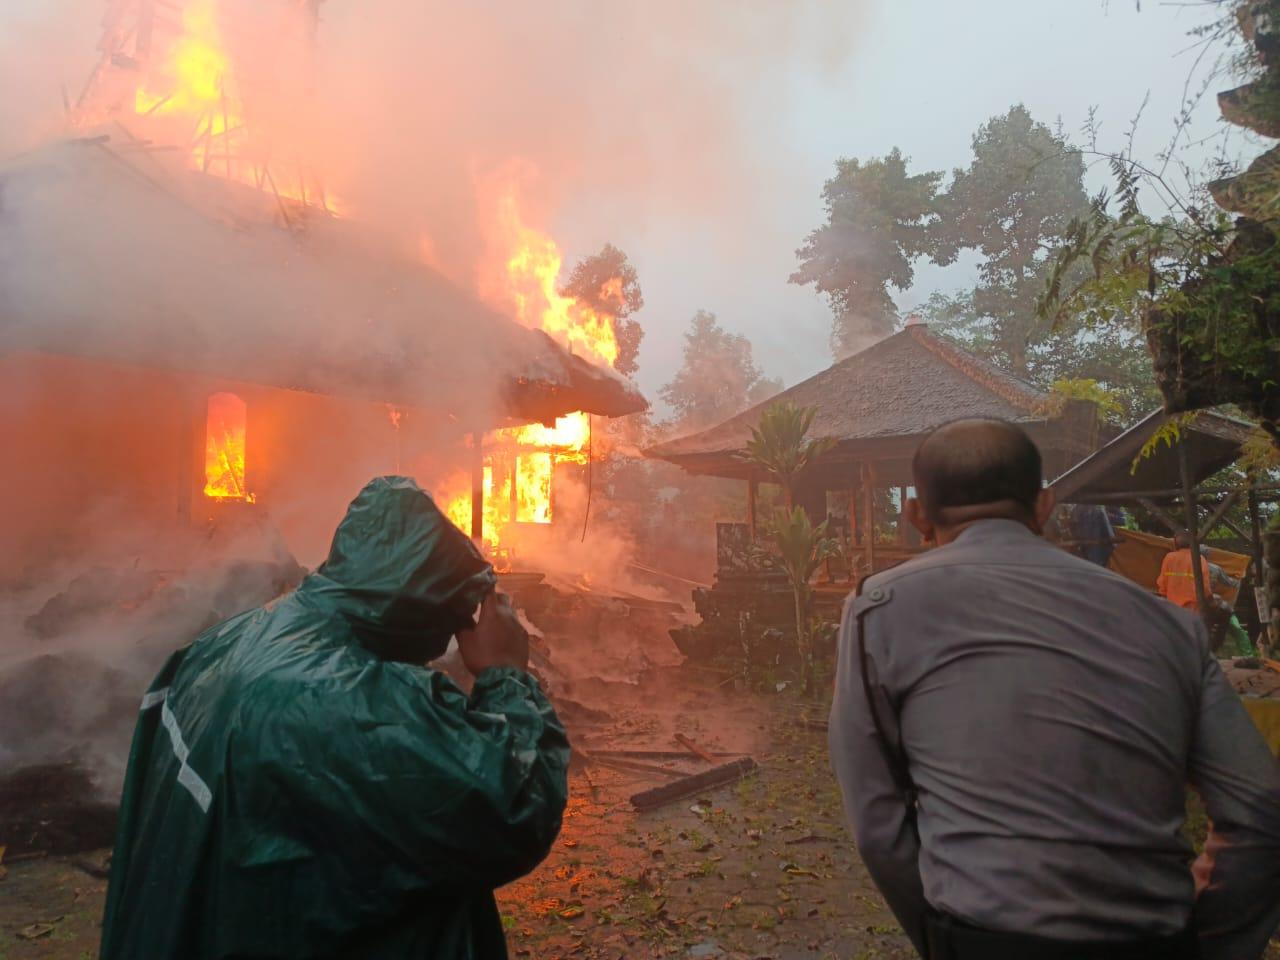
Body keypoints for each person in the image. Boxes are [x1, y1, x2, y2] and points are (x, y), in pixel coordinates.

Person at [829, 418, 1280, 960]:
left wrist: (940, 935)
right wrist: (1209, 946)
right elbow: (1260, 808)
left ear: (917, 517)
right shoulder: (1169, 625)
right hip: (1154, 939)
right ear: (1044, 506)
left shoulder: (880, 609)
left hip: (980, 939)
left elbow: (878, 823)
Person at [100, 476, 569, 960]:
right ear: (417, 607)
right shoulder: (350, 700)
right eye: (449, 623)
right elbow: (513, 808)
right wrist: (506, 674)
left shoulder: (226, 641)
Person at [1157, 530, 1214, 611]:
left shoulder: (1169, 558)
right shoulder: (1199, 559)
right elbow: (1205, 587)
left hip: (1172, 608)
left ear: (1175, 544)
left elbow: (1162, 585)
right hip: (1193, 610)